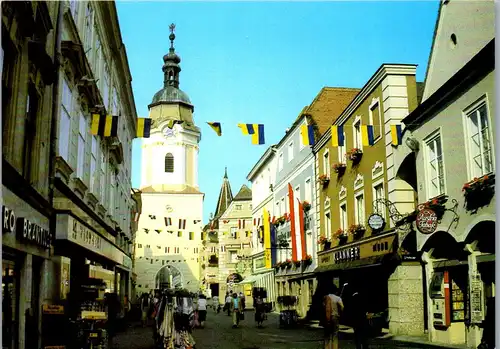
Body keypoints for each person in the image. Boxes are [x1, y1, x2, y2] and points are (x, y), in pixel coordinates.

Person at [324, 284, 344, 349]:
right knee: (335, 335)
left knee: (327, 335)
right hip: (335, 317)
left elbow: (323, 307)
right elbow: (342, 307)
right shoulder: (338, 298)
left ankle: (327, 347)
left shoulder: (325, 297)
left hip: (327, 318)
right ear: (335, 291)